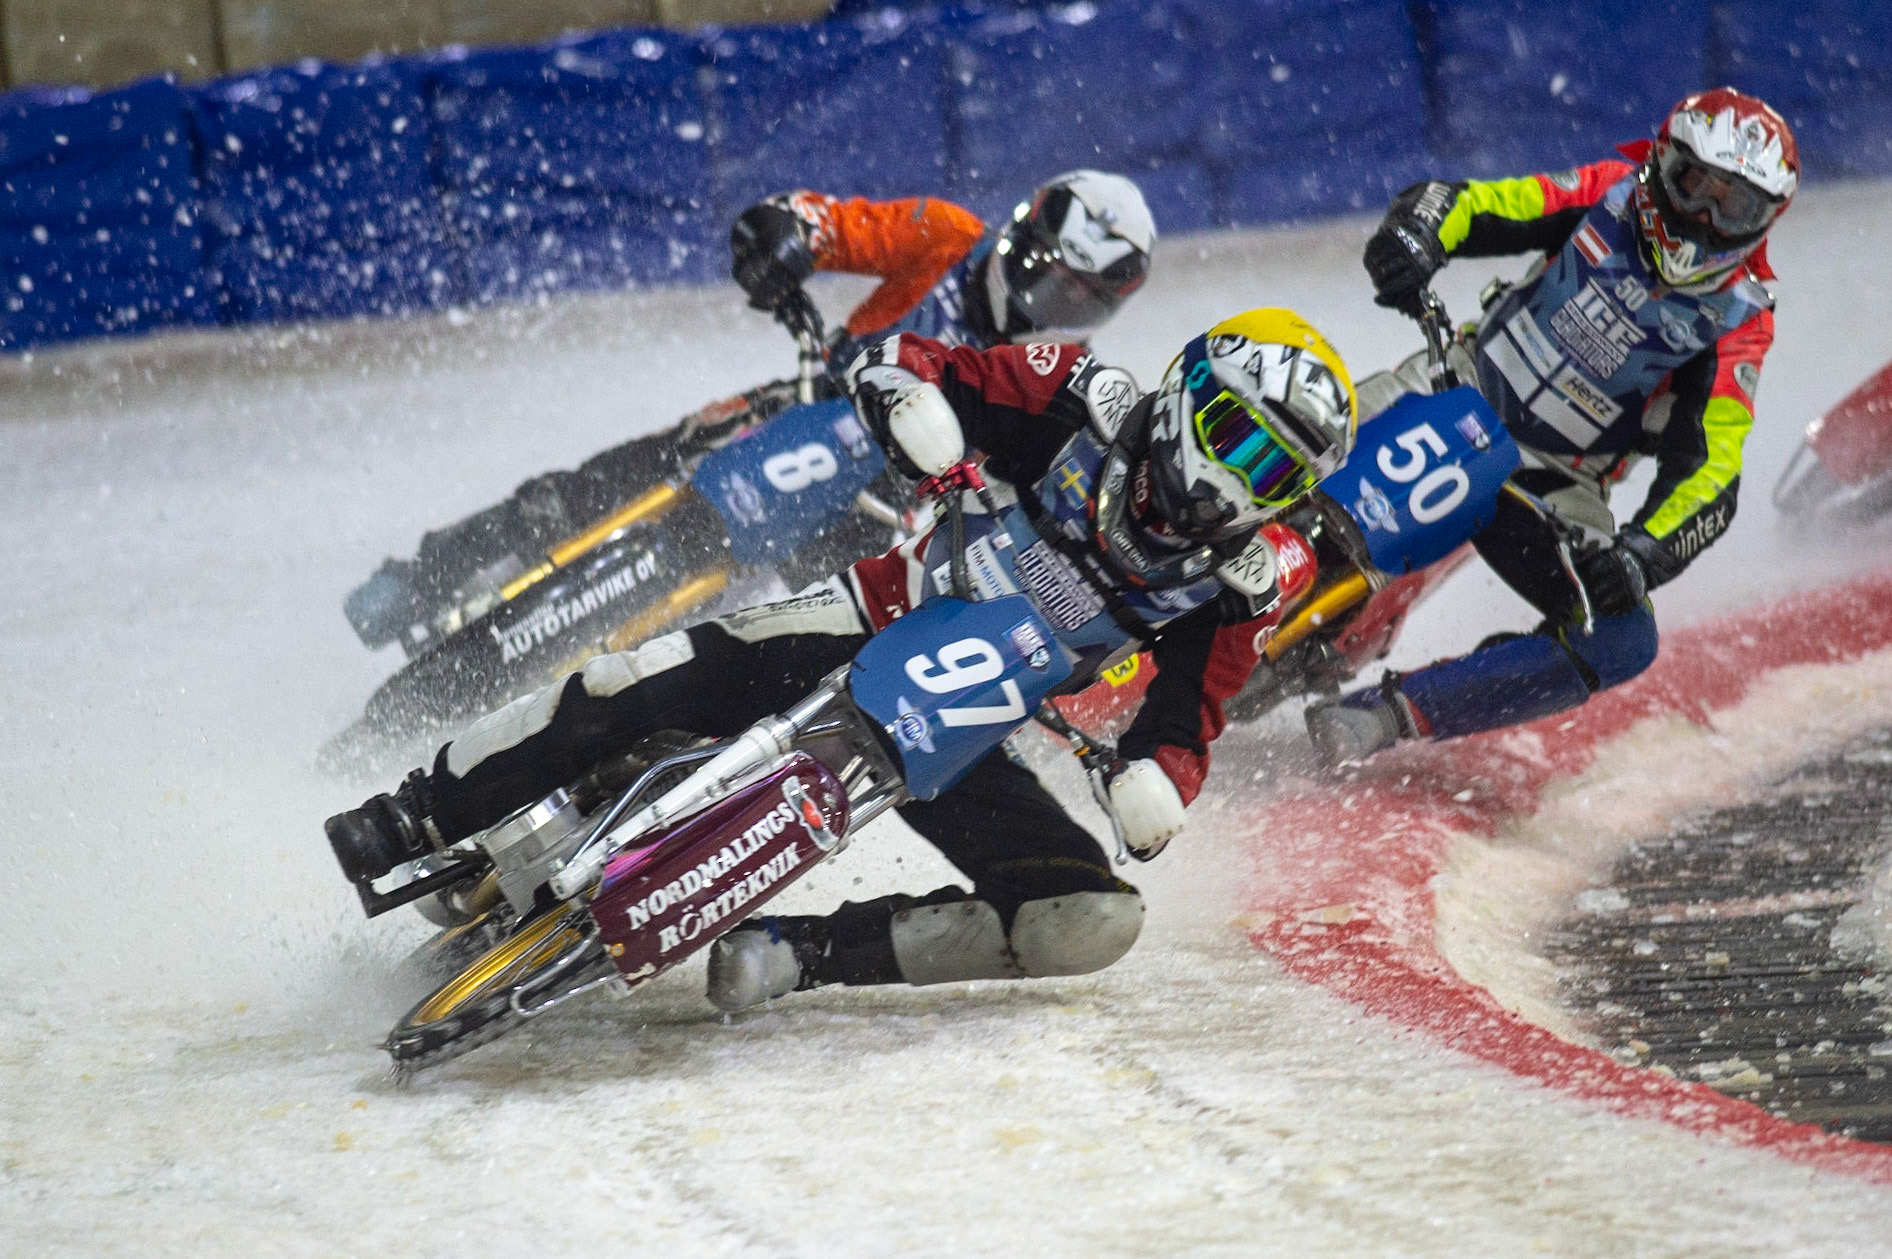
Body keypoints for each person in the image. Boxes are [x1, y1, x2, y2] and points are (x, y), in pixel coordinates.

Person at [325, 307, 1357, 1009]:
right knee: (626, 679)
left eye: (1267, 467)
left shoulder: (1240, 580)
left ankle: (801, 954)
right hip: (870, 613)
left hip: (960, 734)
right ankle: (422, 809)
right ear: (1184, 391)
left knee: (1086, 917)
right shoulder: (1074, 394)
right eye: (1229, 430)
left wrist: (1157, 784)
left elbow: (1187, 725)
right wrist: (916, 412)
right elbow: (907, 361)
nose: (1229, 478)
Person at [345, 172, 1157, 650]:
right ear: (1025, 235)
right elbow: (834, 223)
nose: (1050, 302)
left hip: (880, 507)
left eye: (1078, 299)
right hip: (806, 402)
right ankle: (425, 576)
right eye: (1052, 275)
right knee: (593, 485)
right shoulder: (945, 236)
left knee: (776, 633)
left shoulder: (1059, 376)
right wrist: (788, 237)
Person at [1305, 88, 1798, 766]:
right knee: (1300, 433)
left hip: (1555, 482)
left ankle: (1385, 717)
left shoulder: (1741, 319)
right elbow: (1475, 203)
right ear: (1663, 163)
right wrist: (1415, 233)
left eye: (1733, 205)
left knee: (1623, 639)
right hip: (1461, 383)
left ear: (1764, 220)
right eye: (1695, 186)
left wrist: (1641, 554)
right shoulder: (1609, 192)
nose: (1704, 219)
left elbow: (1712, 472)